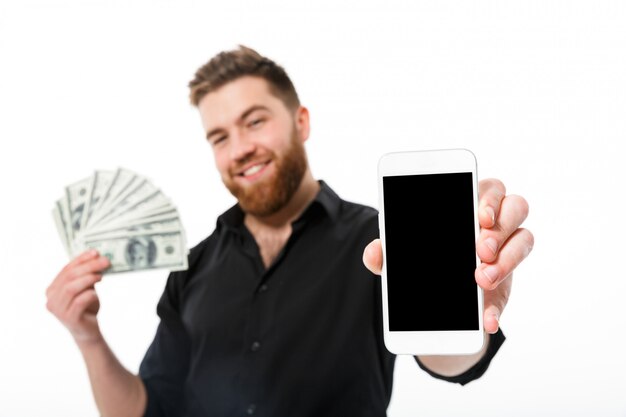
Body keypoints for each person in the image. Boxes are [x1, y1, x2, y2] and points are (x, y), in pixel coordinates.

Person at [46, 45, 534, 417]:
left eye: (254, 121)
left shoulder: (380, 240)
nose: (239, 148)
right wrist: (86, 336)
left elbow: (450, 361)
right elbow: (146, 408)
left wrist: (472, 300)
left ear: (300, 122)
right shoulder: (193, 266)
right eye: (219, 136)